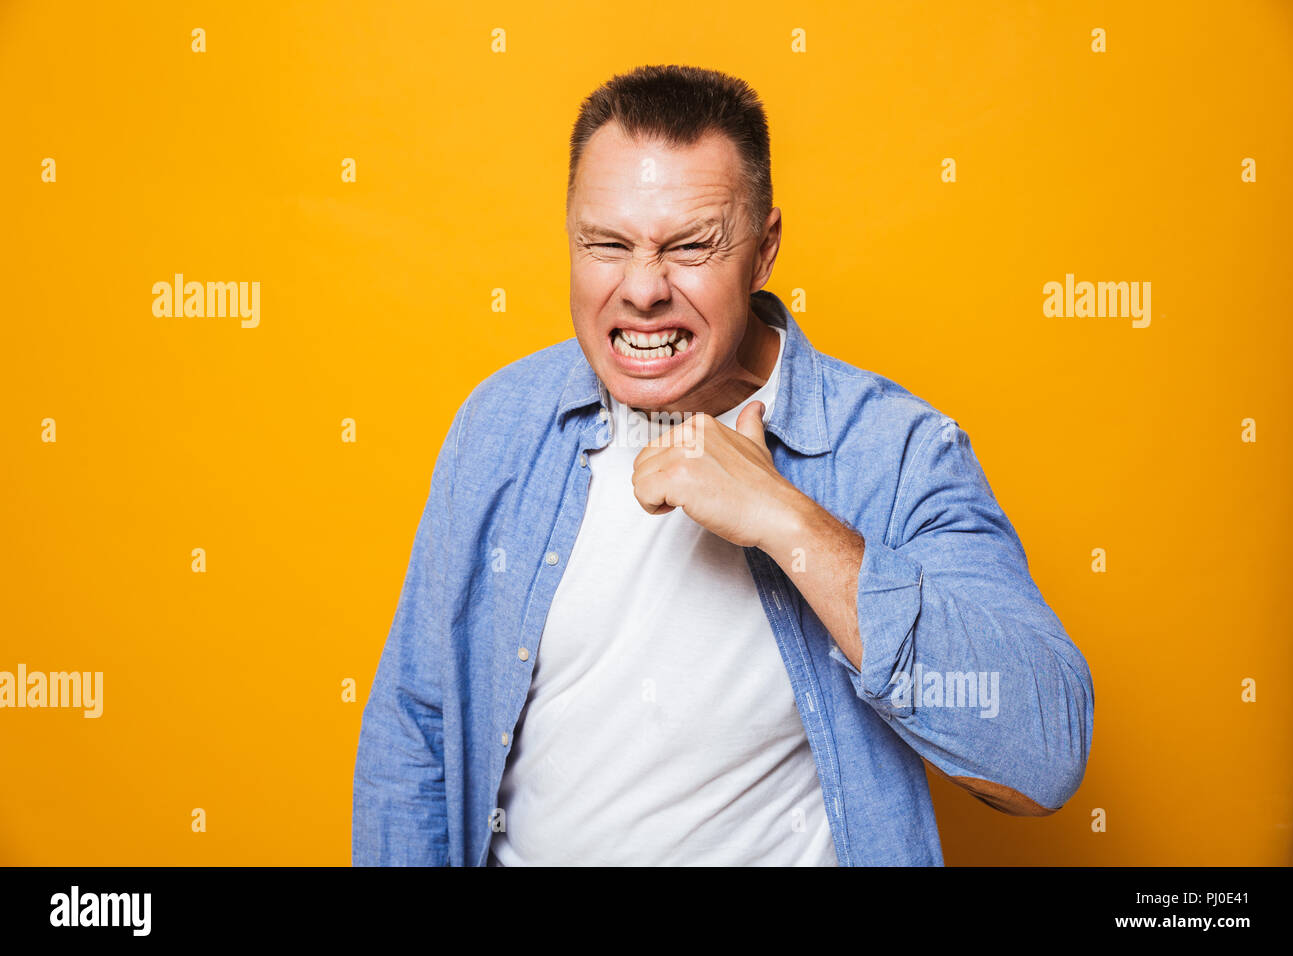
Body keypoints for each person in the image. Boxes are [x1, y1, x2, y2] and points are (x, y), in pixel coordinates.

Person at [352, 64, 1094, 866]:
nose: (642, 290)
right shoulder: (500, 426)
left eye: (691, 247)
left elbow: (1042, 751)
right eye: (606, 244)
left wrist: (786, 518)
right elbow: (415, 732)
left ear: (765, 249)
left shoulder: (900, 451)